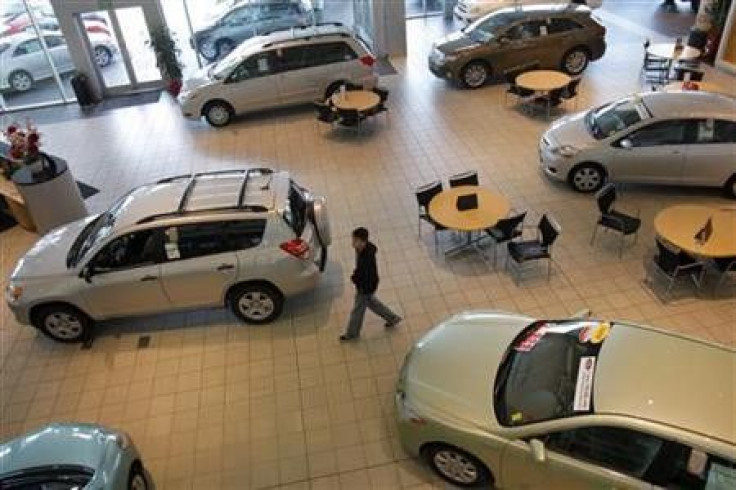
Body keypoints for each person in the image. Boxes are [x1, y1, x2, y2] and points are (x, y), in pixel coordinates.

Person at [340, 227, 401, 341]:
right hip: (368, 285)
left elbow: (363, 273)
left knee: (357, 310)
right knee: (373, 304)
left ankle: (352, 334)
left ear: (363, 241)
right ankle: (393, 318)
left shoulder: (366, 258)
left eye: (355, 240)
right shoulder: (362, 249)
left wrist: (354, 278)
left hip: (365, 286)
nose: (352, 243)